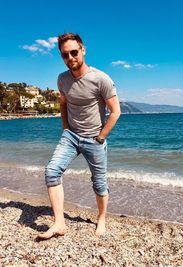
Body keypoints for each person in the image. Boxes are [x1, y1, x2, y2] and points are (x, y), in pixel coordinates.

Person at [38, 33, 121, 239]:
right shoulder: (62, 79)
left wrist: (101, 137)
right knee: (51, 171)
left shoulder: (101, 78)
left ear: (83, 50)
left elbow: (116, 111)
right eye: (65, 55)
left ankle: (101, 218)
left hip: (94, 138)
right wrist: (66, 127)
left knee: (99, 183)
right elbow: (63, 103)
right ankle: (59, 223)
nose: (70, 58)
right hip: (71, 137)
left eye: (74, 52)